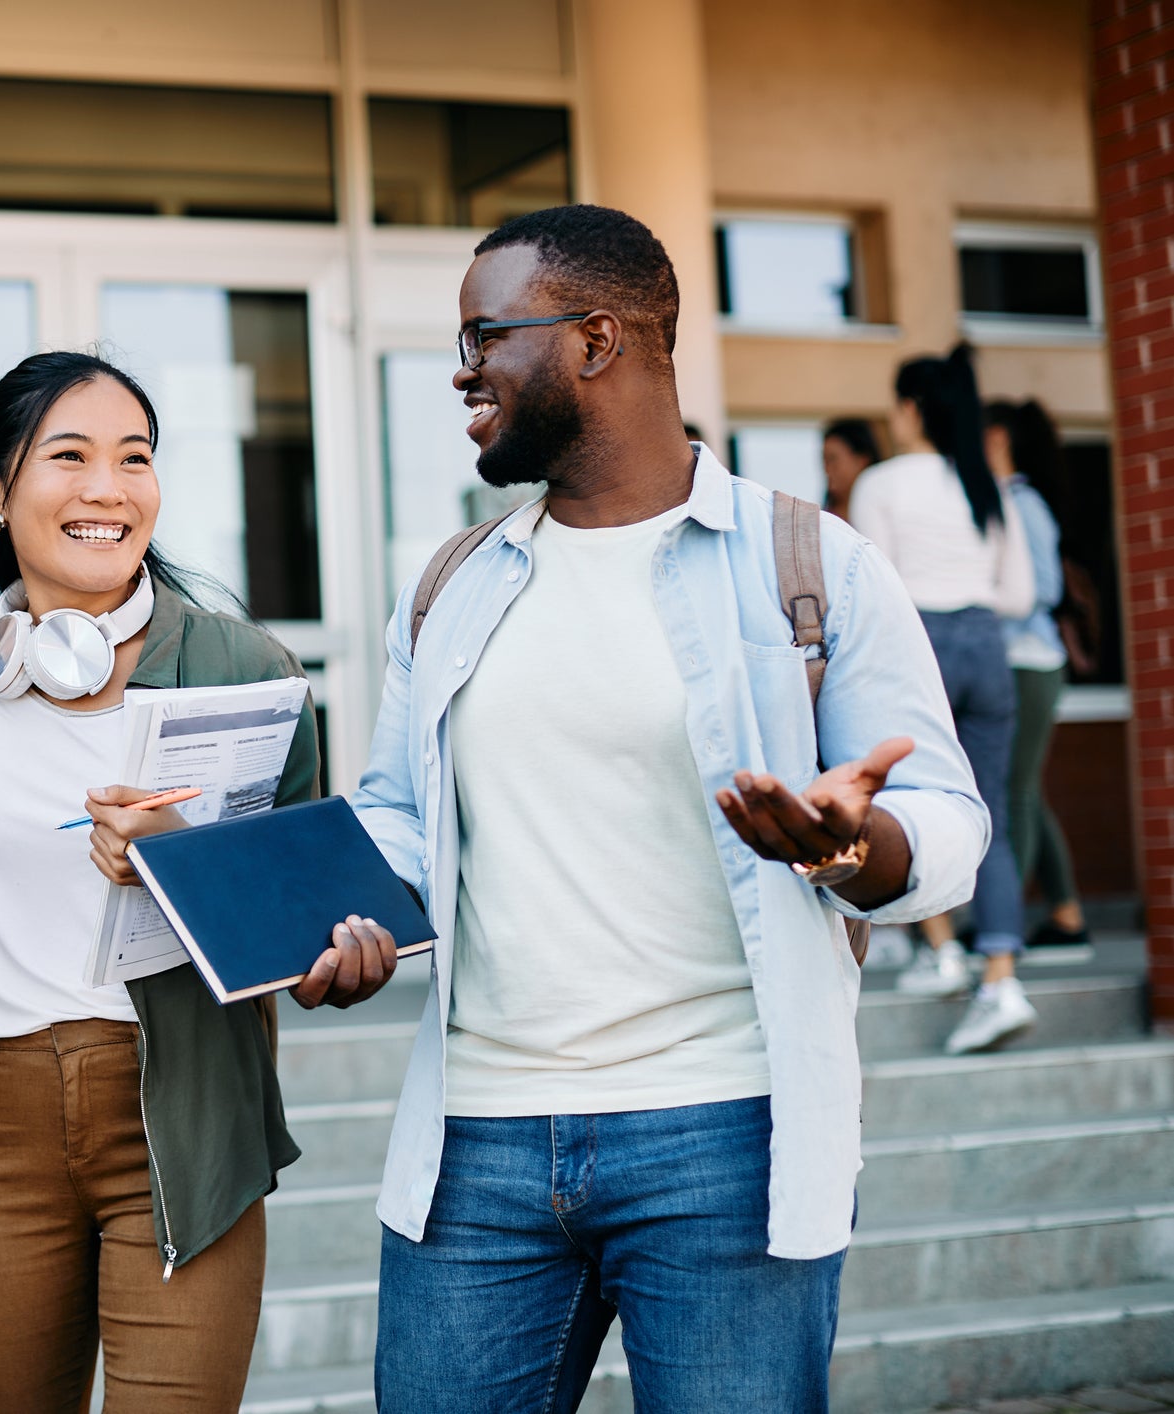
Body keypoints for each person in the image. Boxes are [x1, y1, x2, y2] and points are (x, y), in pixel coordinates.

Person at [352, 205, 987, 1412]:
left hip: (723, 1136)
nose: (461, 367)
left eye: (486, 334)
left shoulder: (812, 563)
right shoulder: (452, 586)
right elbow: (399, 823)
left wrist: (855, 841)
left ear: (597, 340)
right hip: (475, 1145)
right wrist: (334, 925)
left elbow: (944, 816)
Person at [0, 350, 396, 1412]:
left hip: (179, 1118)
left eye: (135, 457)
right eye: (70, 455)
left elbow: (308, 921)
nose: (109, 487)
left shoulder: (248, 669)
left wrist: (208, 874)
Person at [850, 349, 1038, 1052]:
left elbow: (872, 588)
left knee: (909, 798)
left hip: (918, 643)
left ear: (910, 409)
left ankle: (943, 952)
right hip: (987, 644)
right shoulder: (984, 486)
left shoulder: (882, 482)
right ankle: (999, 980)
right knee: (986, 807)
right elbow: (1019, 594)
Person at [984, 399, 1092, 960]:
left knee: (1014, 792)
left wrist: (982, 604)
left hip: (1029, 661)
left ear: (998, 439)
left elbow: (1046, 589)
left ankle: (998, 928)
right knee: (1028, 790)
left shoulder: (1022, 502)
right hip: (1021, 662)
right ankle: (1067, 912)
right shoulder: (1009, 499)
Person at [821, 417, 882, 518]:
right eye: (824, 461)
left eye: (833, 459)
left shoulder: (883, 510)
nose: (827, 470)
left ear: (862, 460)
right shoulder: (824, 519)